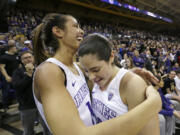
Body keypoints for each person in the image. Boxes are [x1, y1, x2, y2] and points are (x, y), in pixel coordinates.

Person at [32, 13, 161, 135]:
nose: (81, 31)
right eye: (75, 26)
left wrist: (125, 75)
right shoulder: (49, 71)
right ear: (58, 31)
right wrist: (152, 104)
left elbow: (104, 78)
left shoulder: (77, 68)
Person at [78, 33, 160, 134]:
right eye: (86, 71)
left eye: (96, 69)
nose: (91, 77)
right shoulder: (96, 79)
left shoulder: (133, 84)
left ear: (111, 56)